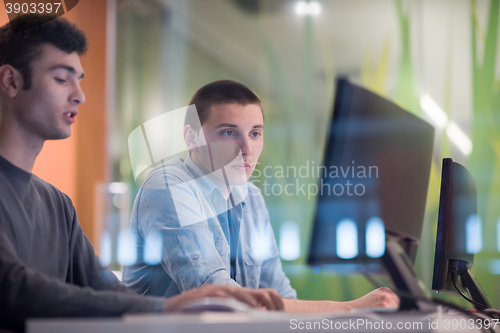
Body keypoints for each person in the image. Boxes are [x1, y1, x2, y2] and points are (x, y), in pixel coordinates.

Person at [0, 15, 283, 333]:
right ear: (10, 81)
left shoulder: (57, 205)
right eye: (62, 79)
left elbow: (107, 291)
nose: (79, 95)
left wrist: (165, 310)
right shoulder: (169, 185)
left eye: (79, 80)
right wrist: (167, 308)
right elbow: (11, 288)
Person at [122, 80, 400, 312]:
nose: (247, 149)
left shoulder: (250, 197)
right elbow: (216, 298)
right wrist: (350, 308)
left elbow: (279, 295)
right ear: (192, 137)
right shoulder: (168, 185)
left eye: (255, 133)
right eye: (229, 132)